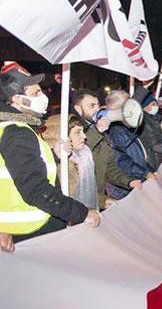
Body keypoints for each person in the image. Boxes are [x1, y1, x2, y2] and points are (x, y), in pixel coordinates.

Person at [0, 69, 100, 252]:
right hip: (33, 229)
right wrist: (82, 213)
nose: (43, 96)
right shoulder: (17, 132)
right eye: (36, 93)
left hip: (25, 229)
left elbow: (18, 168)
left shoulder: (15, 128)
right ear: (17, 99)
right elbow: (36, 190)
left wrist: (54, 155)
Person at [73, 89, 140, 209]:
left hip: (97, 197)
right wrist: (97, 132)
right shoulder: (72, 129)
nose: (97, 109)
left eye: (98, 105)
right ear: (78, 109)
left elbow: (109, 167)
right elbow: (79, 155)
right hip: (80, 201)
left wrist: (129, 182)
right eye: (91, 106)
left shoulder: (99, 130)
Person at [104, 91, 158, 200]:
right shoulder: (113, 131)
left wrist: (149, 171)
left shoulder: (123, 127)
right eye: (127, 104)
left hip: (135, 181)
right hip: (123, 189)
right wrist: (145, 174)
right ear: (116, 107)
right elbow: (121, 160)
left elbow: (137, 157)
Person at [40, 115, 99, 211]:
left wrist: (104, 200)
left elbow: (88, 192)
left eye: (83, 131)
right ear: (61, 135)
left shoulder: (84, 157)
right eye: (77, 132)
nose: (84, 136)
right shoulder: (57, 165)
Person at [132, 87, 162, 170]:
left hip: (160, 159)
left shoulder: (154, 120)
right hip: (151, 163)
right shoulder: (143, 122)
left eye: (156, 104)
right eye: (153, 104)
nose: (156, 107)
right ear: (144, 107)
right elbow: (155, 145)